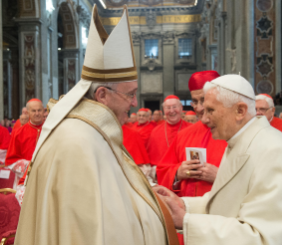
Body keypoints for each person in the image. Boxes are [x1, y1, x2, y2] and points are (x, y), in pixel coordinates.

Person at [14, 6, 172, 245]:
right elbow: (86, 232)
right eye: (130, 94)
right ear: (101, 94)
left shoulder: (90, 131)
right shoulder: (77, 143)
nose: (135, 103)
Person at [154, 74, 282, 245]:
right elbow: (223, 202)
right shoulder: (238, 142)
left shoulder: (275, 151)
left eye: (211, 110)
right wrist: (182, 205)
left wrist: (186, 221)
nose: (205, 119)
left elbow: (261, 237)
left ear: (240, 111)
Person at [157, 71, 227, 198]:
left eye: (203, 100)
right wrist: (178, 173)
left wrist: (221, 176)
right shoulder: (184, 135)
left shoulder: (234, 133)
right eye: (195, 101)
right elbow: (163, 171)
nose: (199, 108)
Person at [4, 98, 44, 188]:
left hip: (47, 177)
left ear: (43, 111)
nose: (37, 113)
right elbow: (10, 162)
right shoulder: (18, 133)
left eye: (39, 110)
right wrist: (28, 165)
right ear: (28, 113)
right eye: (34, 111)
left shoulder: (51, 130)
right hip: (25, 180)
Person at [147, 95, 191, 168]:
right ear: (164, 110)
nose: (171, 110)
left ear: (181, 108)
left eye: (174, 107)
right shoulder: (155, 132)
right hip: (164, 174)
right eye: (168, 107)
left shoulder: (191, 129)